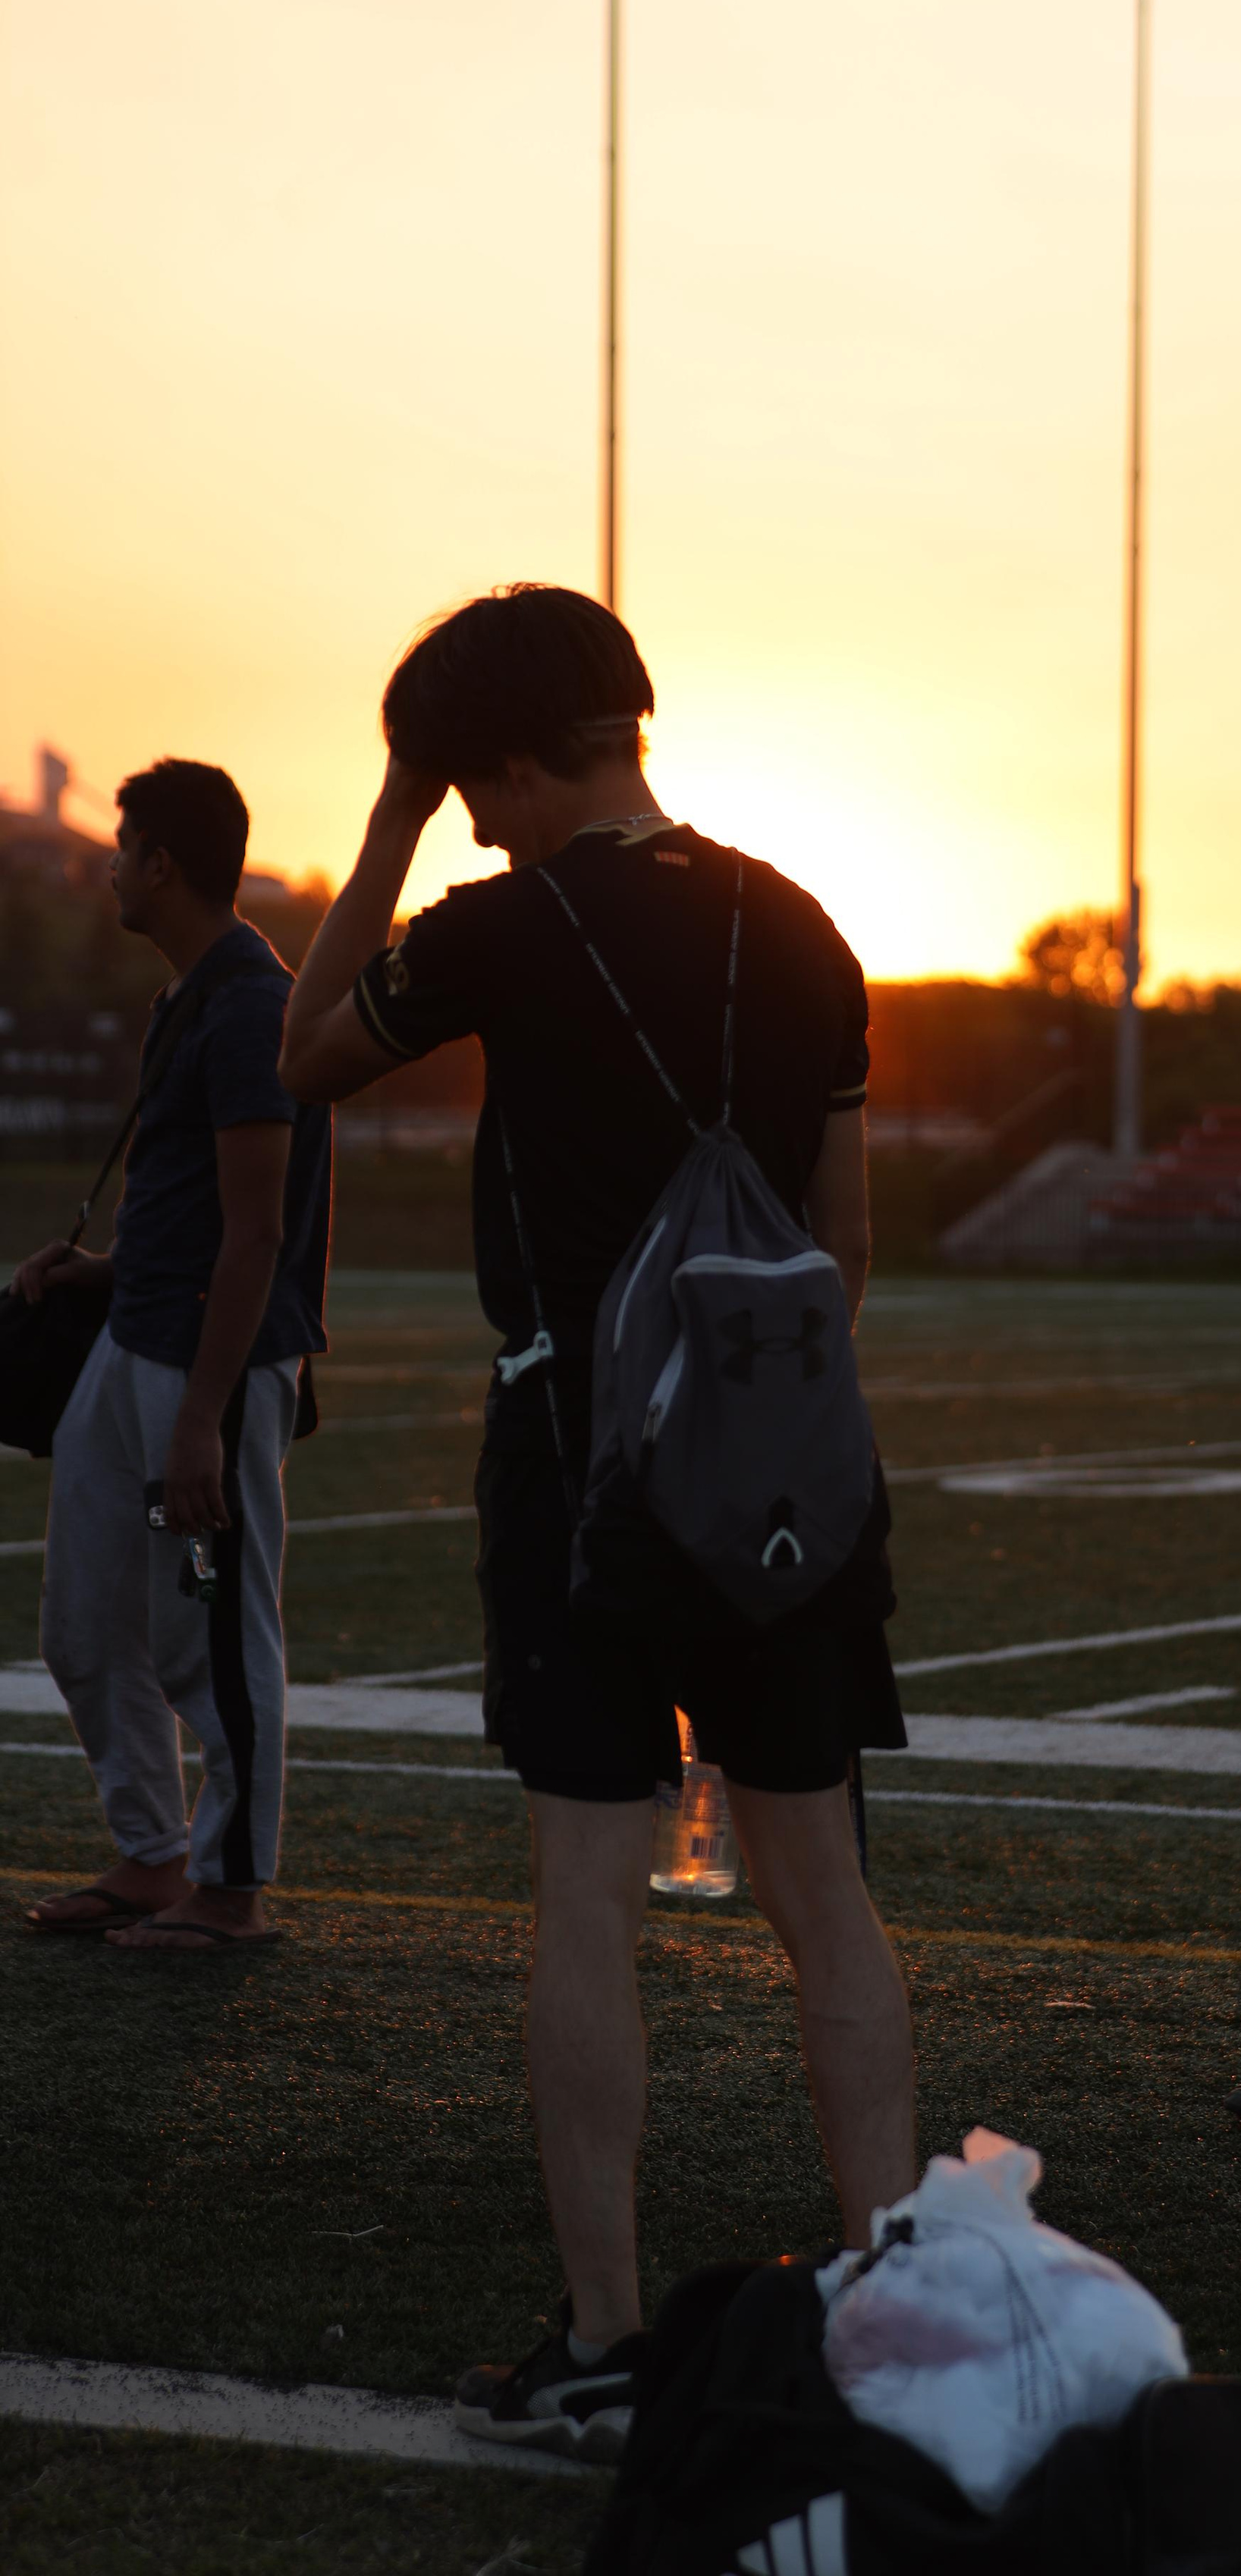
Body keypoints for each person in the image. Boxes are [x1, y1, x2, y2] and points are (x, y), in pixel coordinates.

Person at [279, 582, 916, 2461]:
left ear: (500, 760)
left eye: (464, 788)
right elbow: (849, 1236)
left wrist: (381, 822)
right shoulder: (804, 924)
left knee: (585, 1888)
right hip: (787, 1455)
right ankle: (886, 2314)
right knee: (824, 1894)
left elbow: (306, 1051)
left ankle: (609, 2341)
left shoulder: (501, 924)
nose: (467, 823)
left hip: (582, 1461)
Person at [17, 761, 331, 1952]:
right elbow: (194, 1210)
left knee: (206, 1619)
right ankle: (151, 1856)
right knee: (89, 1623)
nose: (107, 864)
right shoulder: (189, 997)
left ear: (164, 863)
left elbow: (257, 1231)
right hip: (134, 1352)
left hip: (209, 1378)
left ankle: (230, 1888)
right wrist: (93, 1273)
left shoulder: (253, 1005)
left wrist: (200, 1419)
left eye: (122, 844)